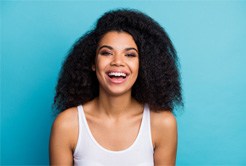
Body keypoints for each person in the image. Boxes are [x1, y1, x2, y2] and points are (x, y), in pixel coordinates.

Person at [49, 9, 183, 166]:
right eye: (106, 53)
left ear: (143, 65)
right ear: (92, 63)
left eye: (130, 55)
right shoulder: (67, 125)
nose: (117, 62)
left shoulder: (162, 124)